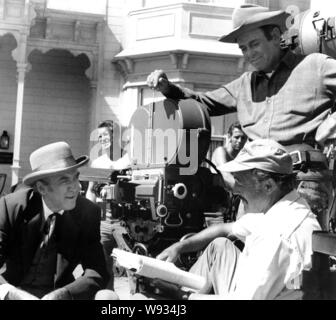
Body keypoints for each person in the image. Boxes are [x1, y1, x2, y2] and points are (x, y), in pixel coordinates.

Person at [147, 4, 334, 230]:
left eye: (254, 44)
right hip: (254, 185)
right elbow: (203, 103)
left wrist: (332, 125)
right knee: (248, 251)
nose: (248, 54)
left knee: (297, 258)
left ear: (275, 36)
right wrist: (168, 88)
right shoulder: (244, 84)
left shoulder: (315, 66)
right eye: (243, 48)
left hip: (300, 181)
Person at [97, 139, 321, 300]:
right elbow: (225, 229)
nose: (235, 191)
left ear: (268, 185)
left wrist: (182, 296)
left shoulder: (275, 234)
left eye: (240, 182)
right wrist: (180, 246)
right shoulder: (288, 209)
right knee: (220, 246)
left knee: (119, 301)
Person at [0, 141, 108, 300]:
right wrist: (13, 294)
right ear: (41, 188)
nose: (76, 187)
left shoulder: (87, 213)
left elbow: (97, 271)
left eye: (76, 178)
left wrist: (64, 294)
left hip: (58, 296)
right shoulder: (13, 206)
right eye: (64, 180)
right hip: (13, 293)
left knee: (107, 297)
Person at [86, 121, 130, 290]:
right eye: (100, 136)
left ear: (115, 135)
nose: (103, 139)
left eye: (106, 134)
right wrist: (89, 218)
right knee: (103, 264)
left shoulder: (128, 159)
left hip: (125, 220)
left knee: (133, 265)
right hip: (103, 217)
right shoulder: (97, 163)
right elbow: (91, 190)